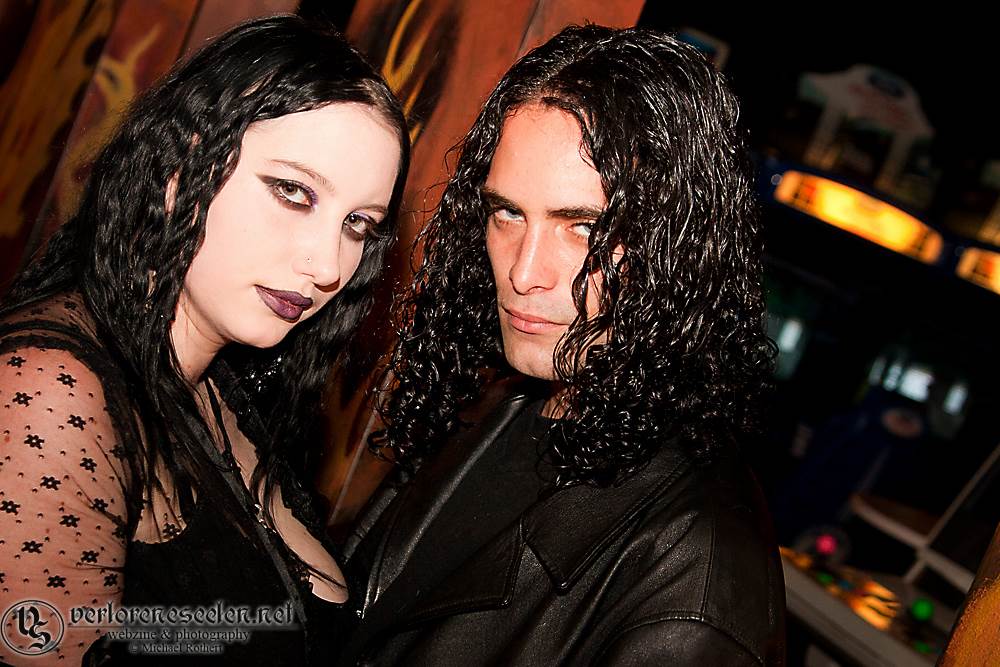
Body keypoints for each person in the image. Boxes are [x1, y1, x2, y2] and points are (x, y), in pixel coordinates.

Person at [338, 24, 785, 666]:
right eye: (508, 214)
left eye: (584, 228)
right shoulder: (495, 405)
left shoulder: (695, 580)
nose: (524, 272)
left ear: (679, 249)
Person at [0, 16, 408, 666]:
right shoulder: (51, 392)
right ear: (179, 168)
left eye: (358, 224)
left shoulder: (226, 394)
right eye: (294, 192)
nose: (329, 264)